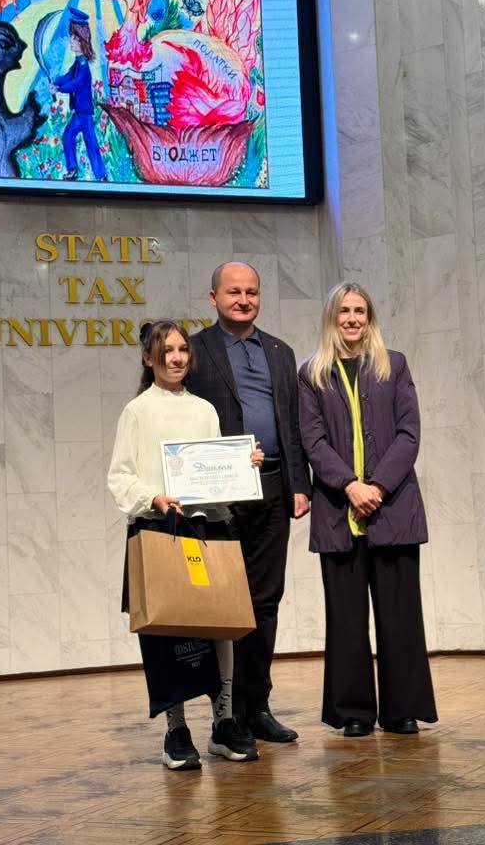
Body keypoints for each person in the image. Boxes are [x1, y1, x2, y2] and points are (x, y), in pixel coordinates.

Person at [107, 319, 264, 769]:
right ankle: (176, 729)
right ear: (148, 358)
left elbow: (215, 474)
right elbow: (120, 475)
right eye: (166, 351)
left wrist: (244, 465)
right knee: (166, 627)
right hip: (159, 528)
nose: (176, 358)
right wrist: (153, 497)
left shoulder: (204, 409)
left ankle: (223, 723)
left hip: (207, 526)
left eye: (182, 350)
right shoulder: (137, 412)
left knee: (221, 623)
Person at [298, 283, 438, 737]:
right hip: (338, 513)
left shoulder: (393, 365)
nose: (352, 318)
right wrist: (350, 486)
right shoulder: (312, 373)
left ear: (370, 318)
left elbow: (409, 433)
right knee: (346, 621)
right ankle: (354, 712)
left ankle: (402, 709)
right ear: (331, 317)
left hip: (392, 509)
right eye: (344, 311)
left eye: (360, 311)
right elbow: (313, 440)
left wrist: (376, 486)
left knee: (400, 617)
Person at [187, 262, 311, 744]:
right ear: (213, 297)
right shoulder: (195, 350)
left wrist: (300, 484)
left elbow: (292, 422)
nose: (244, 300)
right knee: (224, 604)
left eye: (252, 292)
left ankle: (257, 705)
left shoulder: (280, 351)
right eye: (234, 292)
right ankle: (226, 713)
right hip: (220, 495)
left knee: (265, 602)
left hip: (274, 488)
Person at [50, 7, 107, 181]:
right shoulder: (77, 63)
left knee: (80, 140)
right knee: (81, 141)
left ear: (83, 41)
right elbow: (68, 76)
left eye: (75, 38)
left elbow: (76, 83)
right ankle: (90, 173)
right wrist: (57, 82)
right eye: (71, 37)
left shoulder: (83, 66)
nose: (71, 41)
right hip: (81, 112)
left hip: (84, 113)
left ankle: (91, 174)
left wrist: (59, 89)